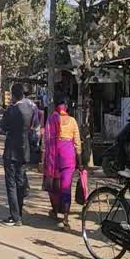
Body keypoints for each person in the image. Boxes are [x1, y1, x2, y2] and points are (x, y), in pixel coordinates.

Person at [40, 95, 83, 229]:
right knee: (66, 187)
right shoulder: (73, 121)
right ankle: (65, 218)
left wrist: (42, 160)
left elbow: (45, 142)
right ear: (67, 107)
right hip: (68, 158)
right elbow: (77, 143)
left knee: (53, 185)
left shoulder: (51, 120)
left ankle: (54, 210)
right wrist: (80, 163)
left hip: (53, 158)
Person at [0, 84, 34, 226]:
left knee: (11, 184)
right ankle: (19, 213)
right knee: (20, 183)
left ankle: (15, 217)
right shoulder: (31, 109)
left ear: (13, 95)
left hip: (11, 151)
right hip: (24, 150)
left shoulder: (12, 110)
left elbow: (3, 127)